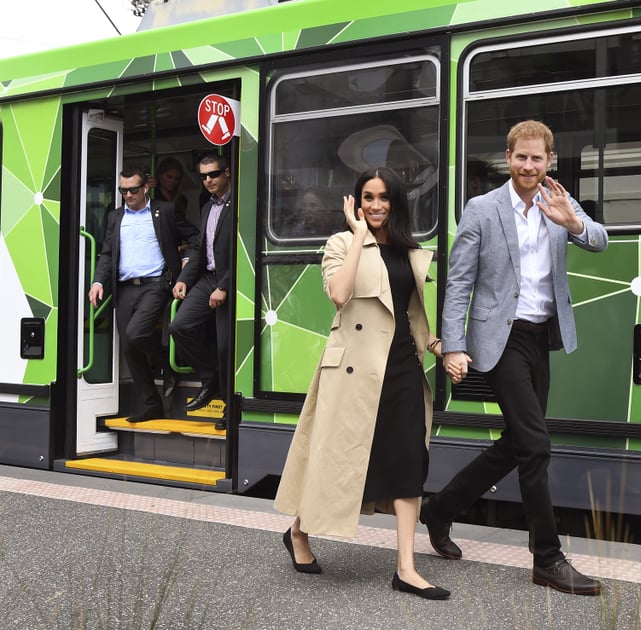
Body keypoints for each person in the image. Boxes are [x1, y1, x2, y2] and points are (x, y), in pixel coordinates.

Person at [420, 120, 608, 596]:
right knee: (536, 445)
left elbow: (600, 241)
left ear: (550, 162)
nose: (529, 166)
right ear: (509, 158)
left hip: (541, 336)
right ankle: (547, 557)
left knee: (518, 444)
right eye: (521, 157)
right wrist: (454, 344)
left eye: (537, 158)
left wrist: (573, 222)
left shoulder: (559, 201)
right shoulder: (482, 209)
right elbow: (459, 280)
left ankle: (440, 508)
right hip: (499, 340)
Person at [273, 167, 449, 600]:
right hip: (353, 368)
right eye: (367, 197)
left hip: (403, 366)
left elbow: (412, 316)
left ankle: (406, 568)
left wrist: (444, 349)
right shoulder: (340, 243)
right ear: (355, 201)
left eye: (384, 197)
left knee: (411, 460)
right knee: (338, 461)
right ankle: (298, 532)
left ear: (396, 202)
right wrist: (356, 236)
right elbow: (338, 294)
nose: (375, 205)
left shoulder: (411, 249)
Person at [88, 165, 198, 423]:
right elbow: (107, 253)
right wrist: (97, 282)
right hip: (125, 287)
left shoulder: (165, 211)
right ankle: (152, 405)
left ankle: (167, 363)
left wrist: (186, 260)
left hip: (155, 284)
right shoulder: (115, 217)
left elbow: (194, 237)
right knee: (129, 347)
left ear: (146, 187)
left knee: (135, 334)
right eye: (122, 190)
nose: (127, 195)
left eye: (133, 190)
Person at [168, 153, 235, 431]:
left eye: (214, 174)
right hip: (207, 277)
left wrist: (225, 285)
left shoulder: (239, 202)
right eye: (203, 176)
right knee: (179, 326)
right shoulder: (207, 207)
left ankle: (230, 411)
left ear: (227, 173)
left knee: (225, 347)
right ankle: (210, 379)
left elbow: (243, 250)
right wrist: (184, 278)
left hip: (231, 281)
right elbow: (198, 248)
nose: (208, 180)